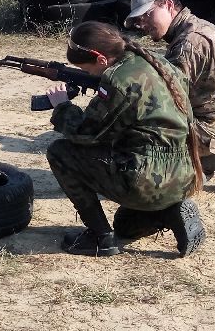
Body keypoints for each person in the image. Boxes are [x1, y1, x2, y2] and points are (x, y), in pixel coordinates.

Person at [45, 21, 205, 257]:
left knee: (60, 152)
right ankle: (169, 211)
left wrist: (62, 107)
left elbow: (85, 133)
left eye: (87, 69)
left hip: (145, 178)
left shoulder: (117, 81)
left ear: (101, 59)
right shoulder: (155, 60)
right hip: (183, 174)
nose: (89, 75)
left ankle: (100, 238)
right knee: (125, 226)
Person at [126, 0, 215, 193]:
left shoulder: (188, 43)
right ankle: (208, 157)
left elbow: (163, 98)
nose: (142, 24)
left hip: (206, 127)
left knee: (136, 136)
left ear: (168, 5)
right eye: (138, 20)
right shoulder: (197, 27)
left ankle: (202, 164)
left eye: (147, 15)